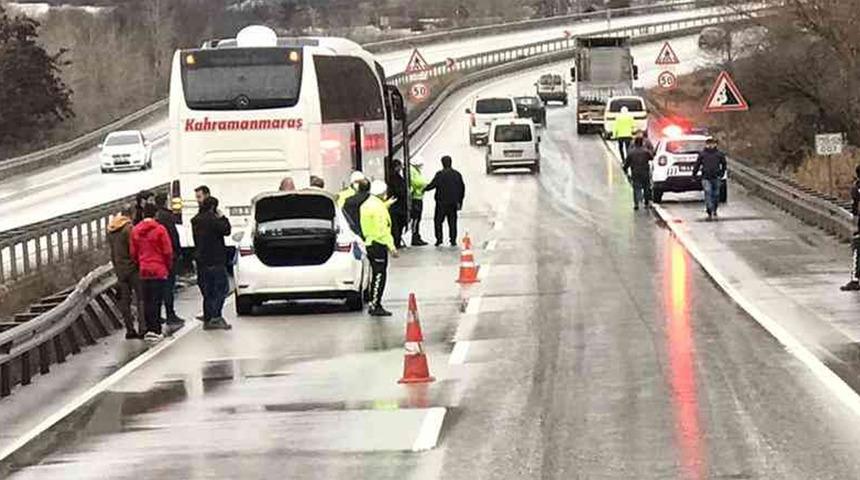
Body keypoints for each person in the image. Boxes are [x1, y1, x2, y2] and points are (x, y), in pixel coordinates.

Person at [130, 203, 173, 344]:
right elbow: (167, 251)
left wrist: (140, 263)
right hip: (158, 269)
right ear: (156, 215)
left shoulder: (135, 231)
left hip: (144, 269)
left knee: (147, 300)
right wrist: (168, 266)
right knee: (156, 300)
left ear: (143, 214)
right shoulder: (160, 230)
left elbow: (133, 253)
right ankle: (156, 330)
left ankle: (149, 329)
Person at [192, 196, 233, 330]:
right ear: (213, 207)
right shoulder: (213, 220)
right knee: (222, 288)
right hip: (215, 258)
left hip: (201, 259)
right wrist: (222, 217)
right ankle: (216, 316)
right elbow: (226, 230)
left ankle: (208, 318)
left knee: (208, 291)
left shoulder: (196, 220)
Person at [361, 180, 399, 316]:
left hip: (369, 242)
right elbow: (383, 229)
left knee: (375, 273)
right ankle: (375, 304)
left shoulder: (368, 203)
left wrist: (386, 205)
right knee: (379, 275)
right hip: (378, 244)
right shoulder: (378, 209)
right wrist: (392, 247)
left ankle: (374, 302)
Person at [107, 205, 143, 339]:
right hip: (132, 269)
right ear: (131, 214)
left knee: (125, 301)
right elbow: (134, 249)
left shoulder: (111, 230)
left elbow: (112, 252)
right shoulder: (129, 228)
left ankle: (129, 329)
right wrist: (137, 262)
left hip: (120, 270)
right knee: (140, 298)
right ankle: (142, 327)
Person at [155, 192, 185, 334]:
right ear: (166, 201)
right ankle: (170, 314)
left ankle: (156, 316)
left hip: (155, 258)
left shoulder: (156, 217)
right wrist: (178, 252)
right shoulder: (167, 216)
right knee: (168, 286)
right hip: (168, 255)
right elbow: (173, 235)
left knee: (157, 289)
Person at [425, 155, 465, 247]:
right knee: (452, 222)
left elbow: (432, 185)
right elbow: (462, 189)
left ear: (442, 163)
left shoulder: (439, 174)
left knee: (438, 221)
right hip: (453, 203)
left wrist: (424, 188)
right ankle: (453, 240)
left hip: (441, 203)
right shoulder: (457, 174)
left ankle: (439, 239)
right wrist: (460, 202)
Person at [692, 137, 727, 221]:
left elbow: (724, 164)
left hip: (716, 177)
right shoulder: (702, 154)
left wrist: (722, 173)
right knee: (708, 192)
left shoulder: (719, 154)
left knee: (716, 194)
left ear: (715, 144)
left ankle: (714, 208)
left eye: (712, 144)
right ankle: (709, 209)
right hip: (706, 177)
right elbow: (697, 164)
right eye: (709, 144)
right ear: (706, 145)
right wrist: (694, 174)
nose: (710, 145)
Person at [841, 166, 860, 291]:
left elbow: (855, 209)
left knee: (857, 248)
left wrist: (855, 225)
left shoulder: (856, 188)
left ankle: (855, 280)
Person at [622, 137, 654, 210]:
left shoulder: (631, 153)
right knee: (646, 187)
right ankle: (646, 202)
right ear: (642, 143)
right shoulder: (646, 151)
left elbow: (627, 163)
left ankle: (636, 203)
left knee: (636, 187)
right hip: (645, 171)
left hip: (635, 172)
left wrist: (625, 169)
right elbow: (651, 157)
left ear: (635, 143)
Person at [388, 159, 409, 249]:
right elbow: (398, 191)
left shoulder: (395, 177)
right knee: (397, 225)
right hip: (397, 205)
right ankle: (396, 242)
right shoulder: (394, 178)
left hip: (398, 205)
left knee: (398, 224)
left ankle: (397, 241)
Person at [409, 157, 429, 246]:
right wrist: (424, 184)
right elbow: (416, 182)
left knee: (418, 218)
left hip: (419, 197)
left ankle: (417, 236)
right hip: (415, 198)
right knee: (416, 219)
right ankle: (415, 237)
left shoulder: (416, 170)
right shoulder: (412, 170)